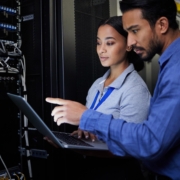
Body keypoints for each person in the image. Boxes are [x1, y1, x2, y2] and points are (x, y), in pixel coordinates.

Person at [46, 0, 180, 179]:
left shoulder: (173, 70)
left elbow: (148, 143)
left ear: (162, 24)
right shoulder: (169, 65)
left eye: (135, 30)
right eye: (98, 43)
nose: (131, 41)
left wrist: (86, 117)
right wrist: (81, 137)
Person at [71, 15, 151, 141]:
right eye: (98, 43)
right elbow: (90, 131)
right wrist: (81, 136)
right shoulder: (97, 84)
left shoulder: (135, 90)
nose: (101, 50)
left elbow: (132, 145)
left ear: (128, 45)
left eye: (109, 43)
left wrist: (81, 149)